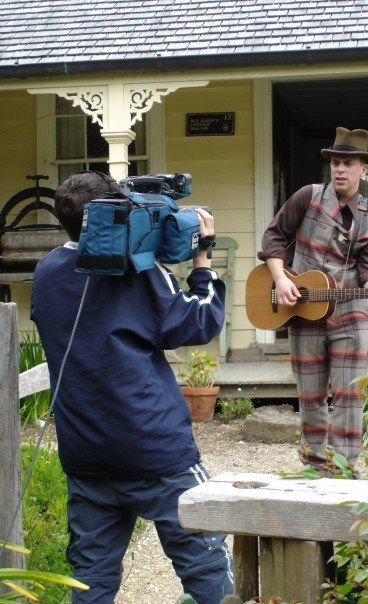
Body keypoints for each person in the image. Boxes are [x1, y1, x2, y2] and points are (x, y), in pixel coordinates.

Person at [31, 172, 233, 604]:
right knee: (205, 564)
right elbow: (201, 321)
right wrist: (203, 260)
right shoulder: (140, 275)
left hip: (86, 454)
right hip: (155, 450)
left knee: (91, 579)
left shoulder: (46, 272)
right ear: (114, 215)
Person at [258, 127, 368, 473]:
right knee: (311, 393)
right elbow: (274, 237)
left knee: (350, 393)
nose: (340, 169)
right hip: (304, 309)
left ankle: (345, 469)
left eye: (348, 163)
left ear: (364, 169)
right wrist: (280, 279)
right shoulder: (308, 197)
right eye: (335, 162)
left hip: (351, 311)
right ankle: (316, 466)